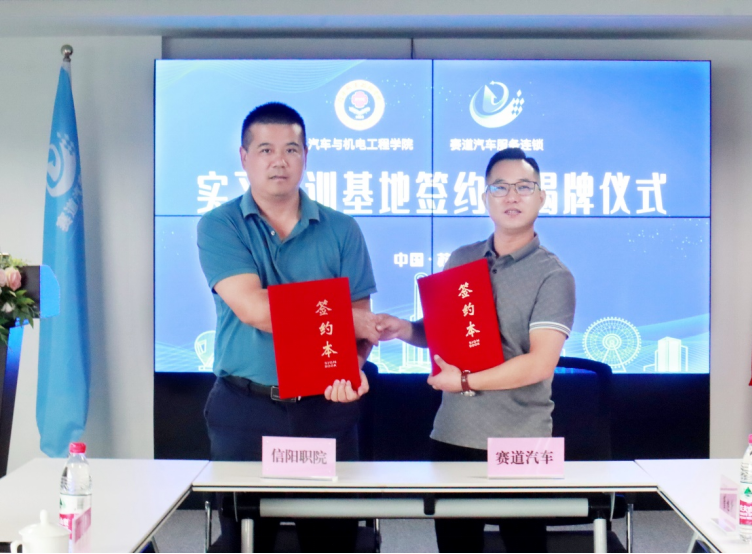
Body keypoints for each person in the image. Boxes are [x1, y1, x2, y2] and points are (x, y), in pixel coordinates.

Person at [197, 102, 378, 552]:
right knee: (246, 541)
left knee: (332, 541)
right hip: (246, 408)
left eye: (291, 149)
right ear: (244, 157)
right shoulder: (220, 225)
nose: (279, 160)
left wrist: (352, 368)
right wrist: (341, 318)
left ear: (306, 156)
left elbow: (360, 326)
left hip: (325, 408)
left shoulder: (342, 229)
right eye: (265, 149)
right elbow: (254, 310)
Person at [376, 148, 576, 553]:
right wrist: (405, 330)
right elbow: (444, 335)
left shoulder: (554, 275)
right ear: (485, 197)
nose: (512, 196)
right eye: (500, 187)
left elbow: (540, 364)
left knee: (525, 548)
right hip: (454, 433)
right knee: (456, 547)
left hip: (521, 443)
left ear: (542, 197)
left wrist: (465, 381)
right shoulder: (461, 259)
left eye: (524, 187)